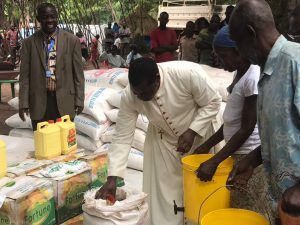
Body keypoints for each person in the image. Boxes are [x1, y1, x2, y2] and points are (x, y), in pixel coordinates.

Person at [95, 57, 222, 225]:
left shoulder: (186, 74)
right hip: (163, 142)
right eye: (136, 93)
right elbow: (122, 136)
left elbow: (213, 101)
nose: (140, 97)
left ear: (157, 79)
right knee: (166, 196)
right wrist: (112, 178)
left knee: (200, 191)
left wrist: (192, 131)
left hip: (200, 137)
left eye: (145, 93)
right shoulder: (130, 95)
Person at [228, 0, 300, 224]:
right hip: (283, 206)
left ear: (250, 34)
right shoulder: (267, 72)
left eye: (238, 44)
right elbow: (284, 134)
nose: (239, 52)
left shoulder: (294, 63)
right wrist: (252, 159)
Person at [194, 25, 261, 209]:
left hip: (248, 156)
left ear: (238, 51)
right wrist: (207, 145)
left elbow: (247, 127)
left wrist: (215, 160)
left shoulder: (252, 77)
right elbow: (231, 122)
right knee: (233, 203)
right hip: (237, 152)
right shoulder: (239, 73)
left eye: (223, 55)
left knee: (243, 207)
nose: (219, 60)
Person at [19, 3, 84, 131]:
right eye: (45, 17)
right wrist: (23, 103)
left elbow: (78, 75)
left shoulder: (72, 41)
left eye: (52, 17)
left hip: (65, 100)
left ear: (57, 17)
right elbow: (24, 77)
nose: (49, 20)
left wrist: (79, 100)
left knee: (65, 143)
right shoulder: (28, 43)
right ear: (38, 19)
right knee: (43, 144)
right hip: (39, 102)